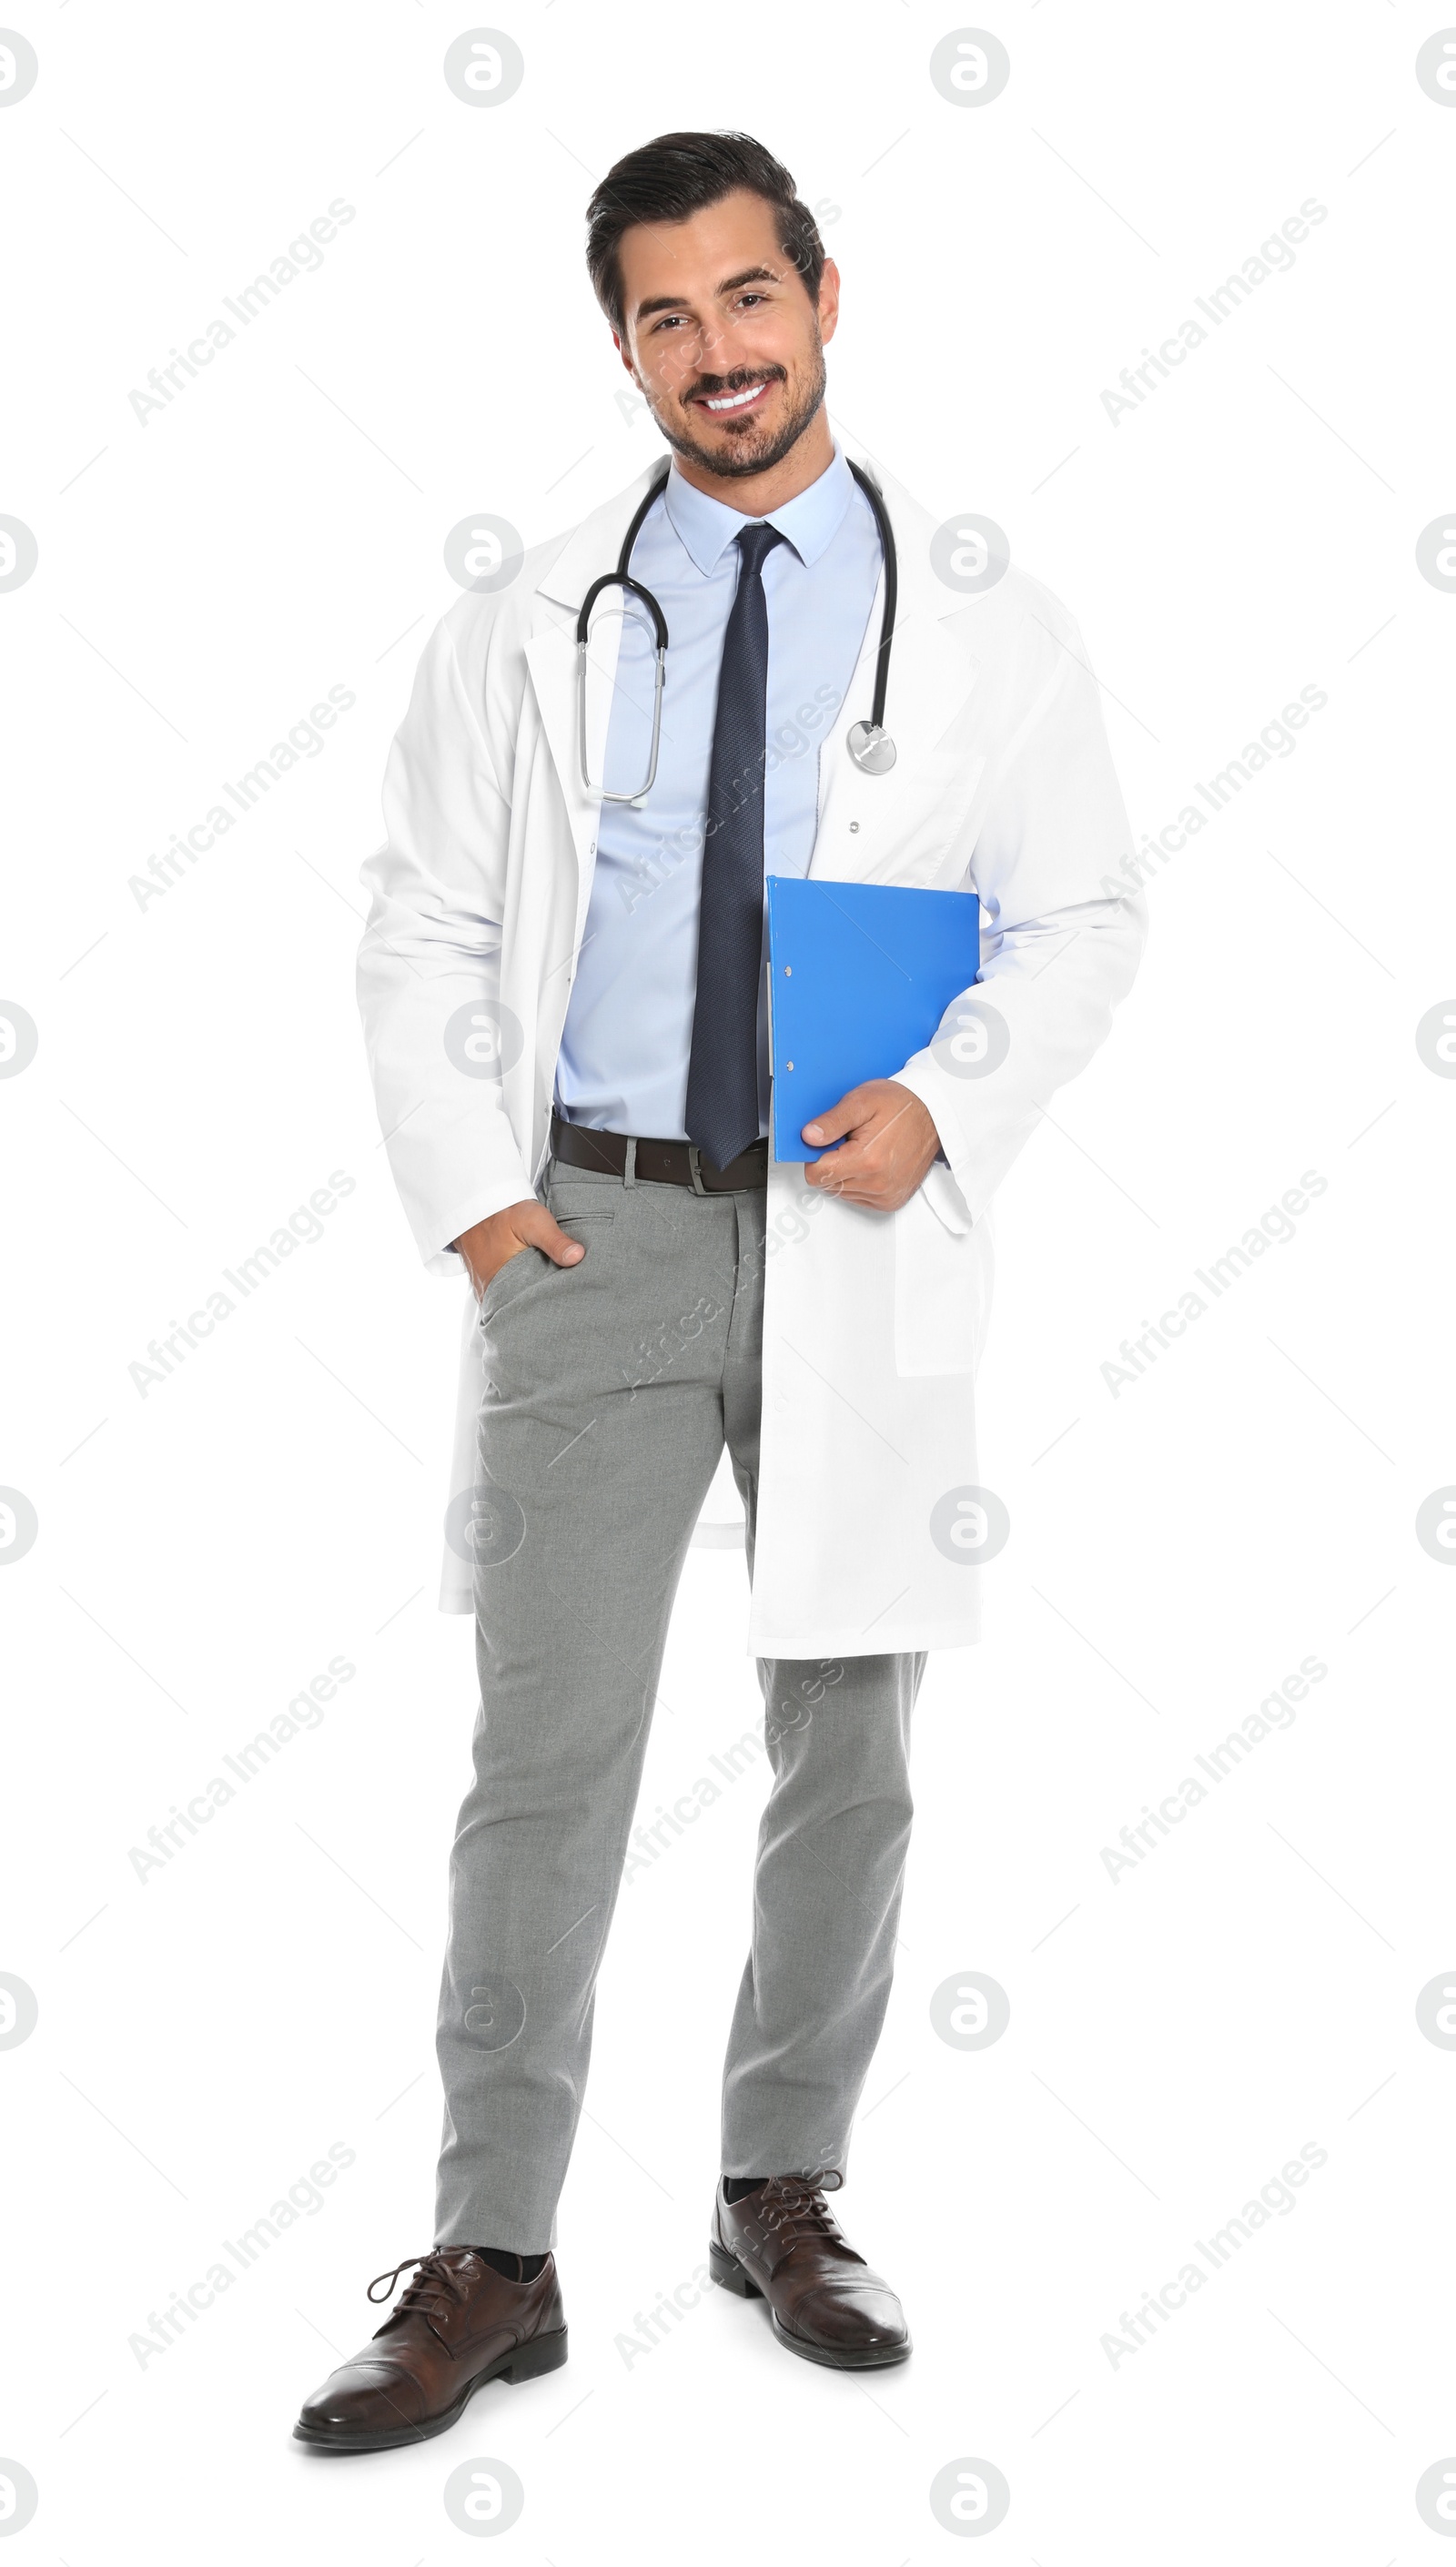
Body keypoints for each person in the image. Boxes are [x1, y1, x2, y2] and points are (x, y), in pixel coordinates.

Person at [294, 127, 1145, 2453]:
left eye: (744, 299)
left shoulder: (979, 618)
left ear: (823, 295)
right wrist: (478, 1194)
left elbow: (1084, 917)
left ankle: (780, 2183)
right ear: (623, 349)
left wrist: (949, 1104)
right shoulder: (531, 614)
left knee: (844, 1750)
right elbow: (419, 915)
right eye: (662, 318)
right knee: (542, 1759)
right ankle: (494, 2246)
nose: (714, 352)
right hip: (595, 1226)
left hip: (855, 1222)